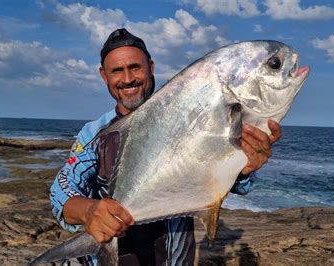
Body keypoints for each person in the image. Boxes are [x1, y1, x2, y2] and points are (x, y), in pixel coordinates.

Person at [50, 28, 282, 265]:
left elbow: (227, 180)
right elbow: (62, 187)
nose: (128, 78)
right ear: (104, 75)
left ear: (151, 67)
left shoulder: (187, 116)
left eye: (135, 67)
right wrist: (89, 212)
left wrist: (244, 166)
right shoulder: (93, 134)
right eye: (117, 71)